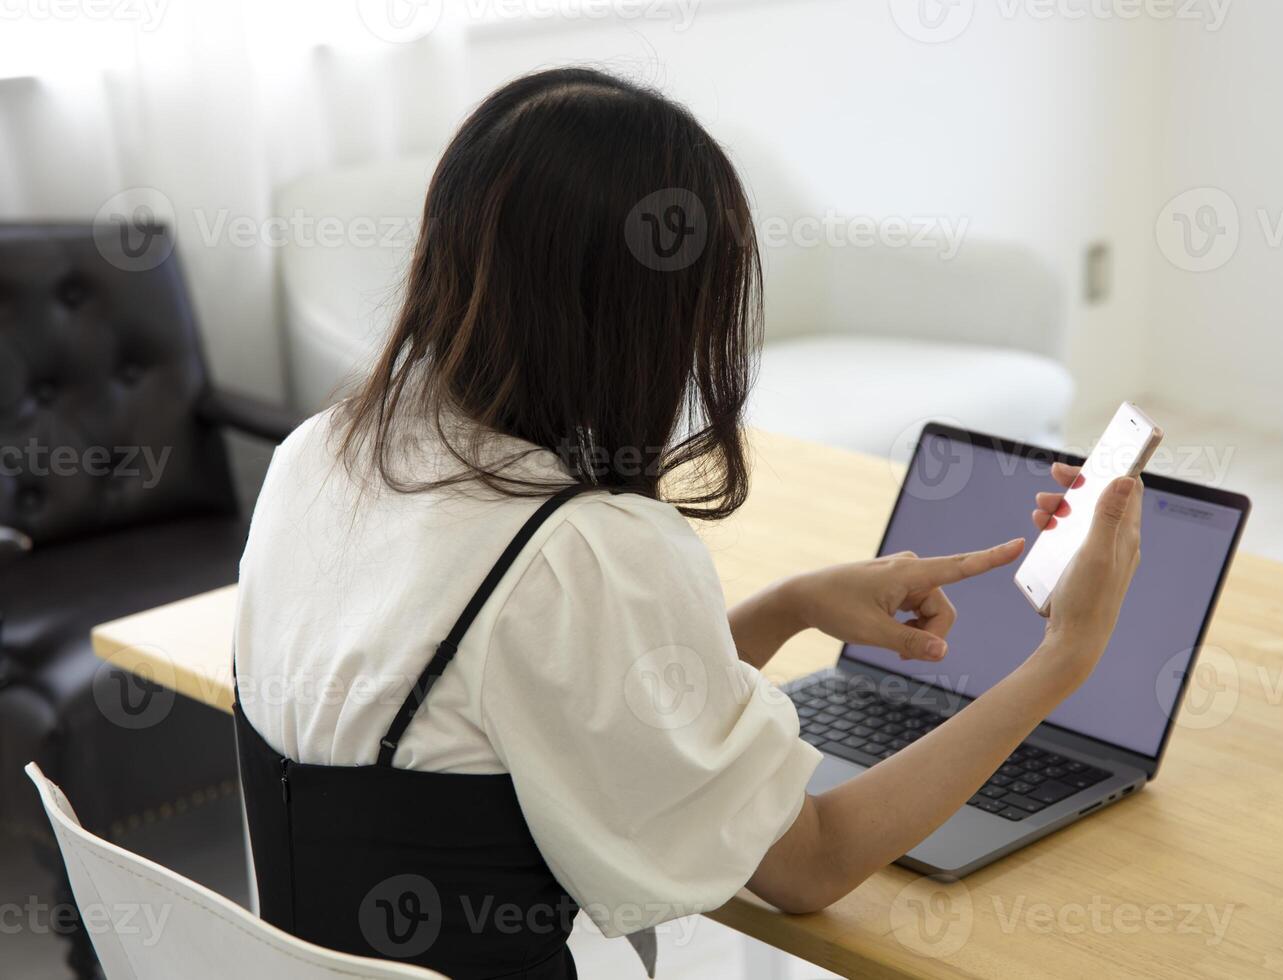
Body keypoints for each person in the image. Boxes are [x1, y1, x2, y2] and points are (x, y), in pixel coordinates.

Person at [233, 66, 1143, 980]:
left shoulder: (318, 455)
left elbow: (560, 697)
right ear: (640, 322)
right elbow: (810, 862)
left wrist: (789, 605)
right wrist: (1066, 656)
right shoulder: (579, 556)